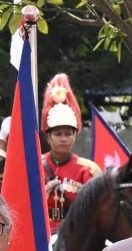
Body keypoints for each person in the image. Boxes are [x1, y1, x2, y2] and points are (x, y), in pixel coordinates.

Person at [39, 81, 101, 229]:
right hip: (41, 232)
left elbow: (97, 207)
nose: (63, 138)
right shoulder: (34, 166)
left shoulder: (88, 169)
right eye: (58, 134)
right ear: (48, 137)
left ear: (75, 136)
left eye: (68, 134)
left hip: (76, 233)